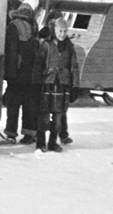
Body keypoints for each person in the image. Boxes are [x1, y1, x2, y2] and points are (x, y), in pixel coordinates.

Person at [32, 17, 80, 152]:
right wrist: (36, 84)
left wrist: (75, 87)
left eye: (65, 31)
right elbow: (37, 66)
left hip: (63, 86)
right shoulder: (46, 45)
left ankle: (53, 143)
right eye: (60, 31)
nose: (62, 34)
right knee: (44, 116)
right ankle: (41, 142)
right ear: (54, 30)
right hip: (47, 84)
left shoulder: (69, 48)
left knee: (58, 117)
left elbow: (74, 68)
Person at [3, 0, 40, 144]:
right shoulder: (34, 26)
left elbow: (11, 52)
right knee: (29, 107)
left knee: (13, 106)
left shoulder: (13, 25)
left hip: (17, 74)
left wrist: (9, 74)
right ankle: (29, 134)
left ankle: (11, 134)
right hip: (31, 74)